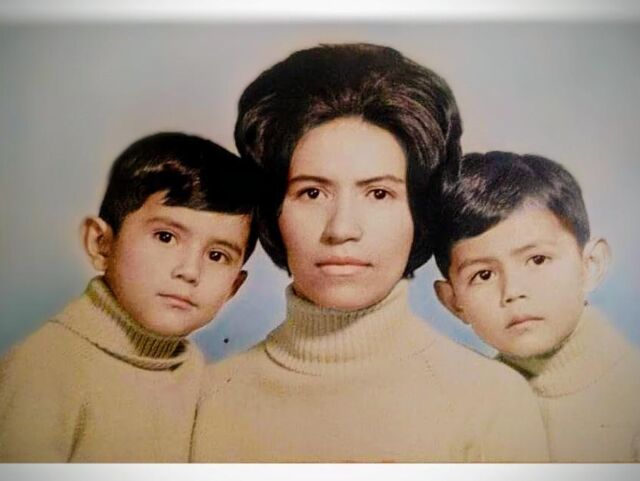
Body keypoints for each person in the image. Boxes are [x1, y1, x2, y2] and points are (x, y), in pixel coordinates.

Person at [191, 44, 549, 462]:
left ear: (418, 211)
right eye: (312, 192)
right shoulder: (210, 397)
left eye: (378, 193)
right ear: (274, 211)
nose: (342, 229)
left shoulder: (493, 402)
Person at [0, 132, 259, 462]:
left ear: (233, 287)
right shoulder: (44, 369)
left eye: (217, 255)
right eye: (165, 237)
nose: (190, 271)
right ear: (101, 244)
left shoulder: (193, 369)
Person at [431, 151, 640, 462]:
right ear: (453, 302)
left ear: (590, 265)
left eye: (538, 260)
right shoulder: (466, 413)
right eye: (483, 275)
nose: (513, 291)